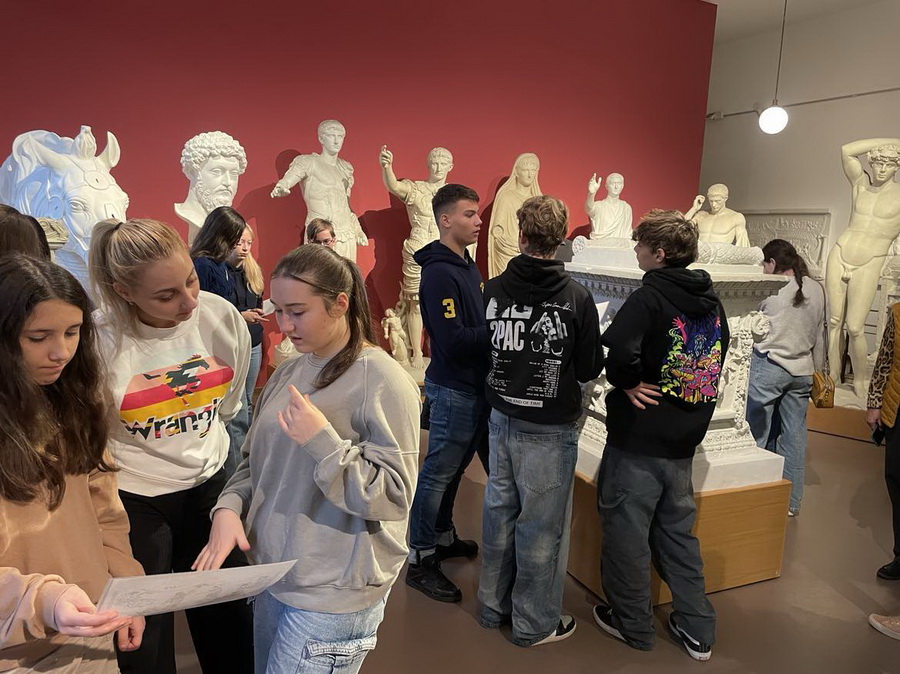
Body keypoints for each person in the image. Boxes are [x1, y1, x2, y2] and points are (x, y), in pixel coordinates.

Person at [193, 243, 421, 673]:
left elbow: (393, 496)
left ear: (340, 304)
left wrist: (322, 442)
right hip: (275, 576)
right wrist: (228, 507)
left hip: (332, 594)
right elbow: (254, 463)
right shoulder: (290, 371)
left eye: (297, 312)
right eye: (279, 311)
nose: (284, 326)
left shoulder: (382, 379)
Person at [88, 219, 253, 674]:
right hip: (135, 499)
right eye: (166, 296)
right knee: (145, 639)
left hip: (209, 486)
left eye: (191, 281)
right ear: (124, 292)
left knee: (229, 627)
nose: (189, 302)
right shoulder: (98, 341)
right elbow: (94, 436)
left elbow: (229, 406)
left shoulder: (221, 317)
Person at [592, 209, 728, 661]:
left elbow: (618, 353)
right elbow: (716, 357)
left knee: (627, 535)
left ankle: (632, 624)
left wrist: (629, 382)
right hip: (684, 439)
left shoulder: (648, 297)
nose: (636, 250)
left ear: (660, 253)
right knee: (678, 534)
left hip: (640, 438)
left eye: (641, 244)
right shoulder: (712, 301)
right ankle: (698, 628)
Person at [0, 254, 145, 671]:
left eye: (73, 331)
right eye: (38, 337)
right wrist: (44, 600)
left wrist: (127, 591)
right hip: (16, 652)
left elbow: (106, 512)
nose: (60, 352)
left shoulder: (74, 402)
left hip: (92, 627)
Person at [478, 195, 604, 646]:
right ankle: (533, 624)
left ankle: (492, 607)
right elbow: (590, 366)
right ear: (561, 238)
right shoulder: (576, 297)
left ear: (520, 236)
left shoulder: (493, 289)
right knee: (541, 527)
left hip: (501, 415)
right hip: (549, 426)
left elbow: (484, 348)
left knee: (499, 512)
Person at [406, 184, 489, 602]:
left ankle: (442, 535)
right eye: (469, 214)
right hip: (454, 387)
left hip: (471, 386)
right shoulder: (439, 272)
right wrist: (497, 331)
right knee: (437, 473)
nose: (478, 221)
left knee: (453, 471)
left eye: (477, 214)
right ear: (445, 219)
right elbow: (453, 339)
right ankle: (420, 557)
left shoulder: (466, 265)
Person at [746, 239, 826, 517]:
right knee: (794, 437)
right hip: (803, 371)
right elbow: (820, 334)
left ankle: (753, 496)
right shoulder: (817, 288)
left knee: (756, 434)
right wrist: (819, 371)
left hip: (769, 367)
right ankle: (791, 503)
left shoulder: (769, 288)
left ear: (771, 263)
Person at [190, 206, 267, 473]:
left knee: (240, 410)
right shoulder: (203, 265)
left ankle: (241, 466)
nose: (240, 245)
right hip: (216, 349)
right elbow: (206, 312)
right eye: (236, 238)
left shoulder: (219, 264)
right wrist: (238, 317)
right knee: (235, 414)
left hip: (230, 344)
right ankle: (237, 474)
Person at [827, 139, 900, 397]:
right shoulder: (861, 185)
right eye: (878, 163)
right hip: (840, 252)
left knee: (856, 327)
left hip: (871, 259)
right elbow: (847, 150)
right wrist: (892, 141)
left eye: (888, 164)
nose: (882, 169)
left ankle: (860, 380)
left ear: (897, 167)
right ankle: (833, 375)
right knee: (834, 322)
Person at [271, 119, 368, 261]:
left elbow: (346, 206)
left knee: (346, 274)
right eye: (331, 136)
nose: (336, 141)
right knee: (318, 273)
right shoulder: (308, 162)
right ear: (321, 138)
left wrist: (358, 230)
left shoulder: (345, 169)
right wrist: (282, 186)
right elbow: (289, 179)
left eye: (340, 136)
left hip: (346, 234)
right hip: (320, 236)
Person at [866, 299, 900, 581]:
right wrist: (874, 403)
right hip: (897, 407)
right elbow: (885, 360)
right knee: (896, 478)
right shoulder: (898, 313)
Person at [174, 131, 248, 243]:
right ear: (192, 172)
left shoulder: (229, 224)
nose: (227, 182)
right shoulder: (186, 217)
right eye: (217, 171)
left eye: (234, 173)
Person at [488, 153, 542, 278]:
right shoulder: (506, 197)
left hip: (531, 250)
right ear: (516, 172)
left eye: (532, 170)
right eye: (525, 170)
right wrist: (507, 242)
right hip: (508, 249)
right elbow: (497, 231)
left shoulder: (538, 200)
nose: (529, 174)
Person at [684, 184, 750, 246]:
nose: (714, 205)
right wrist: (694, 209)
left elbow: (742, 246)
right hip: (700, 253)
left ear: (725, 198)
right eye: (711, 201)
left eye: (717, 201)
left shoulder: (735, 217)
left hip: (721, 254)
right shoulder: (701, 215)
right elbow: (681, 227)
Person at [586, 172, 633, 239]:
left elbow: (628, 234)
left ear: (622, 186)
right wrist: (591, 194)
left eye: (619, 183)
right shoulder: (599, 206)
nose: (616, 187)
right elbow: (589, 208)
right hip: (601, 243)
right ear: (607, 186)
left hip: (620, 244)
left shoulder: (626, 208)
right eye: (613, 183)